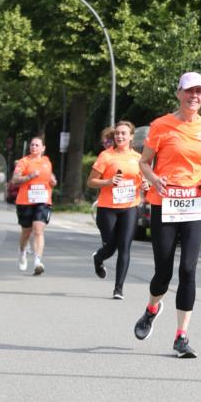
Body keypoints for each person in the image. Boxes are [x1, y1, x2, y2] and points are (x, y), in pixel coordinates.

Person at [133, 72, 201, 358]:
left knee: (188, 268)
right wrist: (154, 178)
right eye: (189, 91)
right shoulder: (162, 125)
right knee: (163, 271)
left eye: (199, 92)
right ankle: (152, 309)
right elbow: (144, 162)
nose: (194, 97)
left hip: (196, 201)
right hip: (165, 201)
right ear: (179, 93)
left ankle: (181, 336)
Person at [87, 120, 144, 299]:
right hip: (107, 208)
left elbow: (143, 180)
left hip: (130, 207)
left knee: (125, 247)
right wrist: (108, 182)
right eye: (117, 133)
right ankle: (99, 258)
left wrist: (146, 184)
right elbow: (90, 182)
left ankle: (118, 289)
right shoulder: (106, 156)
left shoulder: (138, 158)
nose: (120, 136)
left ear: (131, 137)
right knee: (110, 247)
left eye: (123, 133)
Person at [12, 137, 56, 275]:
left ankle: (37, 261)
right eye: (32, 145)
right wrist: (29, 176)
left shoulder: (46, 162)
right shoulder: (23, 162)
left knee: (38, 229)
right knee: (26, 231)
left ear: (43, 148)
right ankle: (22, 251)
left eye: (37, 145)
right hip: (25, 201)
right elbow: (15, 179)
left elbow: (51, 178)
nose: (34, 147)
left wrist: (53, 181)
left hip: (43, 200)